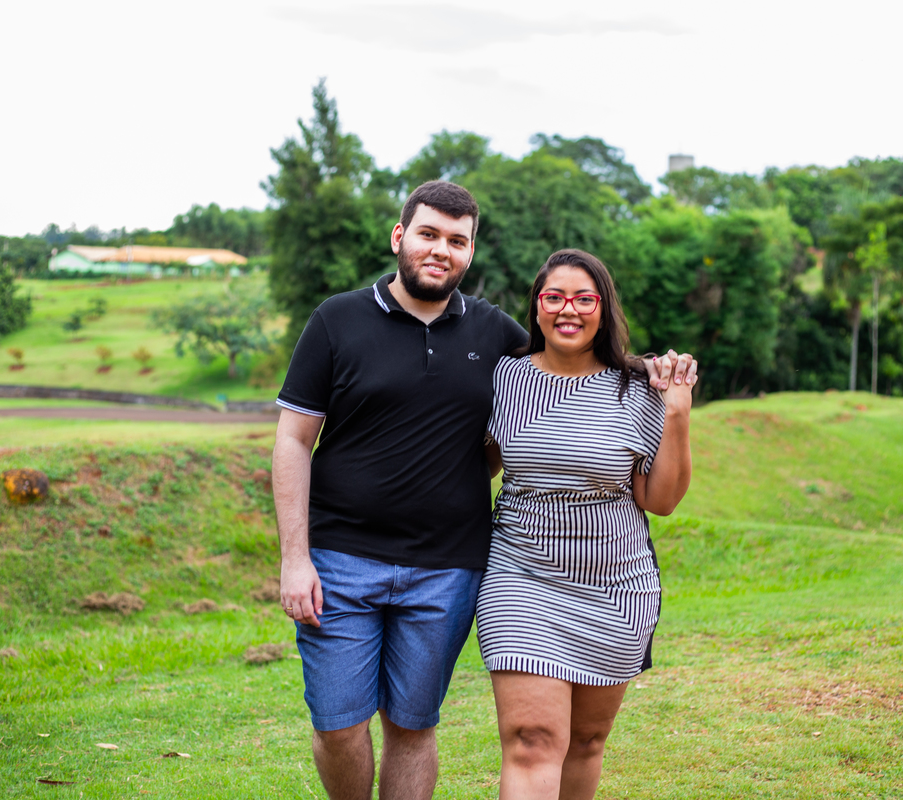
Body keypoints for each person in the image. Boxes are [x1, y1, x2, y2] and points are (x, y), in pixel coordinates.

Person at [273, 181, 693, 800]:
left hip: (450, 567)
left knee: (416, 726)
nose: (441, 250)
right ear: (399, 236)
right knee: (340, 726)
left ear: (471, 251)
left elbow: (576, 358)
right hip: (349, 560)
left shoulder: (495, 334)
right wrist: (295, 557)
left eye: (457, 240)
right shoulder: (340, 320)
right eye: (428, 234)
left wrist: (664, 384)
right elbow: (292, 440)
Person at [478, 249, 695, 800]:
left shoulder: (639, 388)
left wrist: (676, 412)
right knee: (532, 739)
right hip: (522, 577)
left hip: (616, 586)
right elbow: (475, 463)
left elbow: (660, 500)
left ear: (603, 308)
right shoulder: (503, 378)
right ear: (536, 307)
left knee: (586, 741)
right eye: (554, 297)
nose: (567, 309)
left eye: (583, 298)